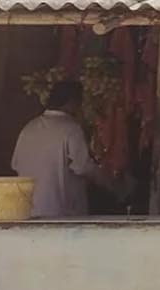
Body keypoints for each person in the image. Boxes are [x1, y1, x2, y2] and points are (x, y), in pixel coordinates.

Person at [11, 80, 99, 218]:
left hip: (29, 212)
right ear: (72, 102)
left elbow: (16, 165)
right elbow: (83, 167)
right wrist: (110, 182)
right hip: (61, 214)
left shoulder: (28, 128)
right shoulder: (71, 129)